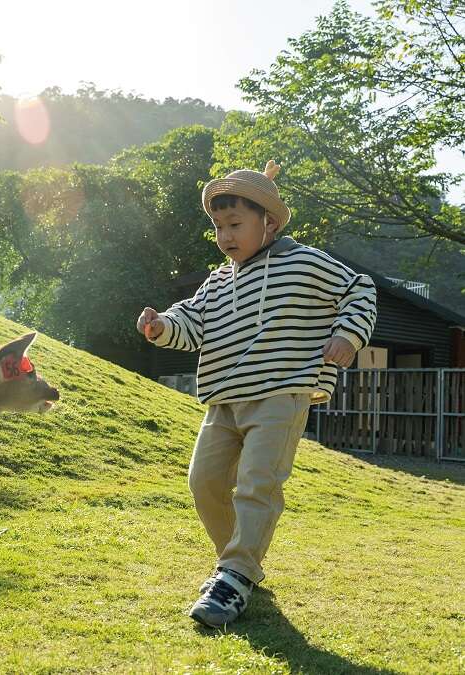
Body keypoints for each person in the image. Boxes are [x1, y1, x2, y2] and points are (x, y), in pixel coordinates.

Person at [136, 160, 377, 628]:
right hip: (225, 398)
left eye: (235, 224)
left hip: (282, 393)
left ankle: (234, 575)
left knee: (257, 482)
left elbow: (359, 290)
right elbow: (190, 324)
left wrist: (348, 336)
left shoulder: (304, 262)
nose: (225, 236)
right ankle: (239, 567)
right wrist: (160, 326)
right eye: (219, 226)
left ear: (267, 222)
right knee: (204, 482)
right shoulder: (218, 281)